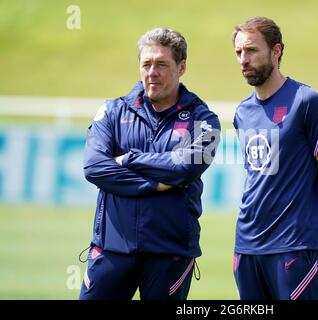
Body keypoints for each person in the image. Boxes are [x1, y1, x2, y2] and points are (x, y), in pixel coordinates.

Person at [80, 27, 221, 300]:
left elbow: (186, 168)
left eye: (161, 64)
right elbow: (94, 167)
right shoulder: (112, 111)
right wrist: (156, 184)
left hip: (171, 253)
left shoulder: (205, 121)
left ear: (182, 68)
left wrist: (128, 159)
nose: (152, 72)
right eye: (146, 64)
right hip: (111, 249)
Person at [231, 17, 318, 300]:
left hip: (294, 247)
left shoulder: (308, 102)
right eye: (238, 53)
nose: (243, 60)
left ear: (276, 51)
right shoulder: (242, 112)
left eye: (251, 51)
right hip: (246, 247)